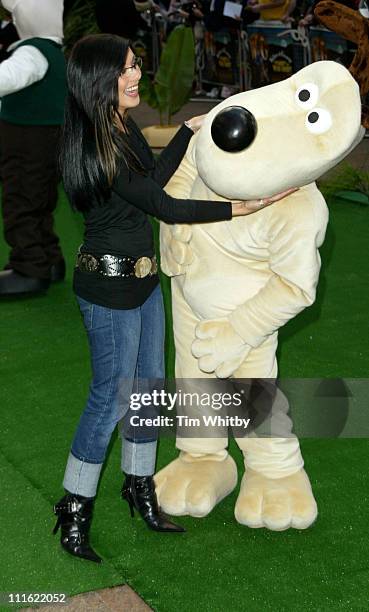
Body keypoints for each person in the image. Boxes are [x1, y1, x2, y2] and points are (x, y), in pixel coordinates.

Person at [52, 33, 297, 564]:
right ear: (98, 81)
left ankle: (140, 491)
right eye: (125, 70)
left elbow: (155, 180)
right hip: (108, 289)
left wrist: (186, 133)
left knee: (146, 395)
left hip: (142, 283)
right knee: (111, 398)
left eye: (136, 65)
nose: (136, 75)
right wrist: (241, 208)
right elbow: (165, 206)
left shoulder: (123, 127)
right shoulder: (99, 143)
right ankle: (73, 508)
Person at [0, 0, 66, 296]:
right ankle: (50, 259)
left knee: (21, 202)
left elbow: (9, 78)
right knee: (41, 202)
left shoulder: (32, 51)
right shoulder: (54, 53)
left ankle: (29, 267)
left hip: (26, 144)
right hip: (50, 144)